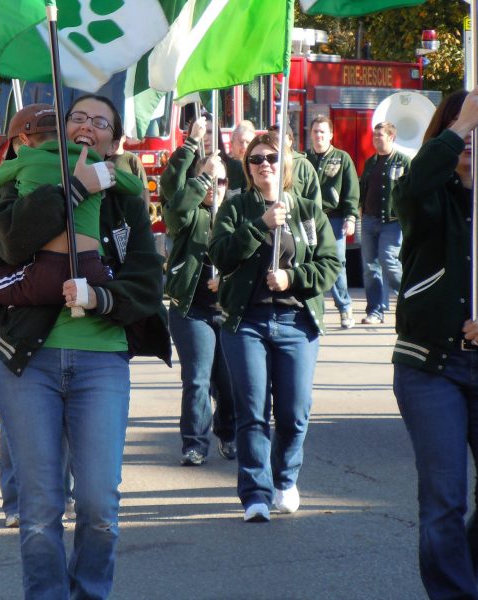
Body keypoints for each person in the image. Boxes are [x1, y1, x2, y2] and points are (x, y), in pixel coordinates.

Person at [0, 94, 170, 598]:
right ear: (59, 132)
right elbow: (10, 247)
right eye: (77, 117)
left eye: (100, 122)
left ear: (114, 139)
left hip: (101, 363)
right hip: (29, 363)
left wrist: (103, 298)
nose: (87, 126)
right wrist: (72, 190)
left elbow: (146, 282)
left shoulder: (127, 198)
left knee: (100, 507)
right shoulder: (25, 180)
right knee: (39, 511)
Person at [0, 103, 143, 398]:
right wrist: (105, 173)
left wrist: (21, 177)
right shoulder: (94, 162)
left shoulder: (24, 160)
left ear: (22, 141)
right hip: (93, 270)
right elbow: (134, 186)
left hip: (42, 274)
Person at [391, 87, 478, 600]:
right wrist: (457, 127)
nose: (471, 134)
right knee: (444, 500)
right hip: (430, 367)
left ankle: (460, 582)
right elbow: (408, 194)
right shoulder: (429, 195)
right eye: (459, 125)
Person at [209, 131, 339, 523]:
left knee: (295, 411)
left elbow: (331, 264)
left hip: (296, 322)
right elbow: (220, 257)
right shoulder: (235, 207)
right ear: (247, 169)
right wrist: (259, 226)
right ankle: (255, 493)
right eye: (255, 159)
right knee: (251, 411)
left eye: (271, 158)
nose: (264, 164)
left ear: (285, 165)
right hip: (246, 321)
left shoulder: (306, 209)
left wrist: (293, 278)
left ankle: (285, 478)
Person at [159, 115, 237, 466]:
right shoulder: (188, 214)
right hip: (191, 309)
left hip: (229, 310)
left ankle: (230, 434)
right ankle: (194, 443)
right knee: (198, 379)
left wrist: (229, 281)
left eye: (218, 181)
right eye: (206, 180)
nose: (212, 187)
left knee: (230, 381)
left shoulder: (237, 212)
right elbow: (174, 201)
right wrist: (193, 148)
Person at [306, 116, 361, 329]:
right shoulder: (304, 159)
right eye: (315, 132)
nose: (318, 136)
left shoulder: (342, 158)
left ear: (330, 135)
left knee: (337, 264)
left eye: (322, 132)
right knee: (309, 262)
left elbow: (351, 190)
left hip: (335, 219)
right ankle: (313, 310)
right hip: (310, 220)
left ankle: (345, 308)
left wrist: (350, 217)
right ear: (310, 134)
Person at [359, 121, 410, 324]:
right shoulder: (370, 162)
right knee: (370, 267)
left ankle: (408, 299)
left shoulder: (403, 161)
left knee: (388, 260)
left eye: (380, 135)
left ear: (391, 137)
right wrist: (360, 209)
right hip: (370, 220)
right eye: (375, 135)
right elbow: (363, 187)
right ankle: (375, 311)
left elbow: (412, 190)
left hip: (393, 221)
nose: (376, 138)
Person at [269, 123, 322, 209]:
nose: (277, 142)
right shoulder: (263, 163)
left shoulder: (303, 165)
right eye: (273, 139)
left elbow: (315, 201)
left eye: (281, 138)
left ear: (290, 141)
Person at [113, 135, 151, 207]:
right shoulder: (102, 158)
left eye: (118, 137)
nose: (115, 141)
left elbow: (144, 188)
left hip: (130, 209)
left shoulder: (132, 159)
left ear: (124, 138)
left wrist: (145, 213)